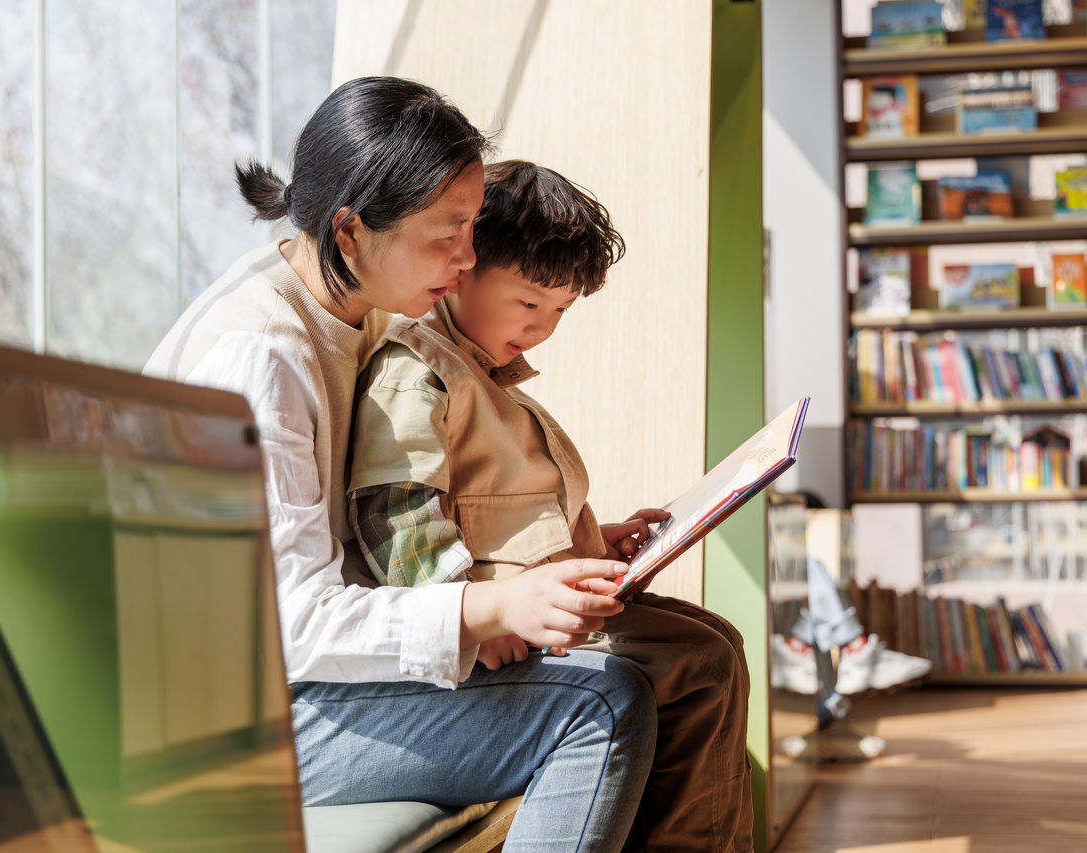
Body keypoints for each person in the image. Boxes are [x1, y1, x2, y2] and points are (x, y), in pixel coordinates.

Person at [143, 77, 658, 852]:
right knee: (603, 704)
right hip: (224, 722)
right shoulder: (262, 357)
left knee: (644, 661)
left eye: (472, 228)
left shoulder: (352, 304)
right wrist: (490, 607)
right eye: (447, 233)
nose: (468, 257)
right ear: (350, 232)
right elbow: (295, 624)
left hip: (278, 689)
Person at [347, 160, 753, 851]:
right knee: (701, 658)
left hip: (536, 613)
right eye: (529, 303)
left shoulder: (488, 380)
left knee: (715, 643)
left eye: (561, 311)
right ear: (464, 268)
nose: (543, 328)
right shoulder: (419, 368)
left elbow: (505, 510)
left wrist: (604, 538)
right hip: (491, 636)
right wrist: (469, 614)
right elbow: (395, 509)